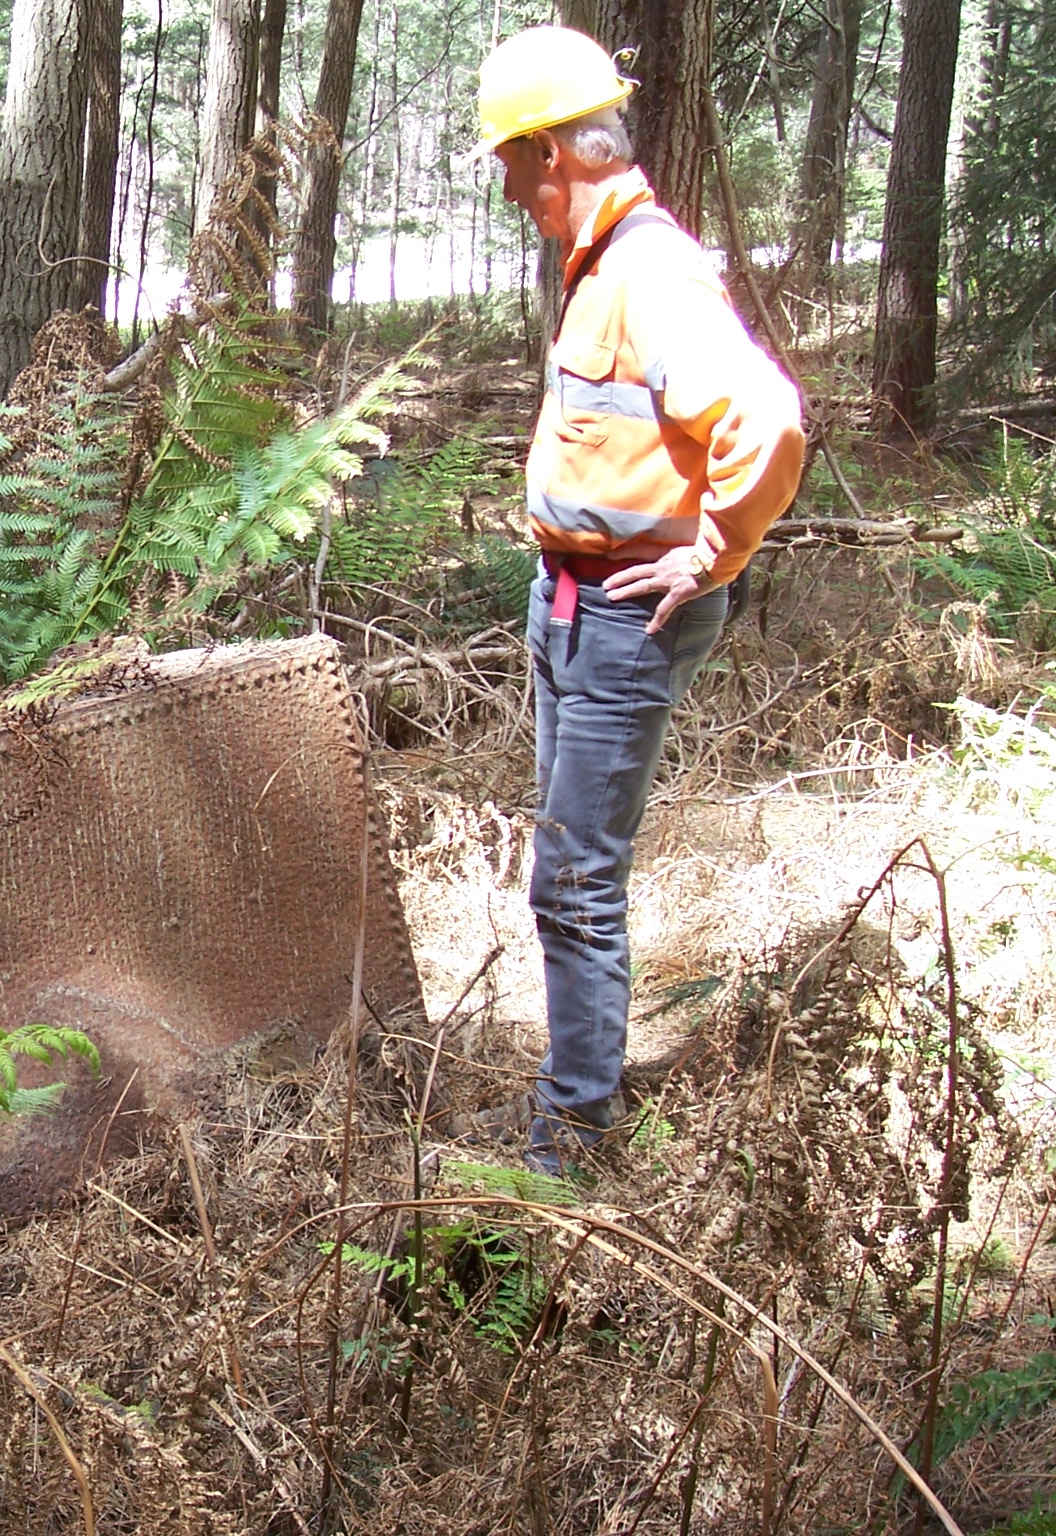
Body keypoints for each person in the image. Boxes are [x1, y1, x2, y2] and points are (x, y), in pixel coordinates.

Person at [467, 26, 805, 1173]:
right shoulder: (601, 264)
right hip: (572, 604)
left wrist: (712, 551)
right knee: (566, 870)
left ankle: (569, 1141)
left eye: (507, 163)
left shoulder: (648, 270)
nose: (505, 190)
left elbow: (766, 421)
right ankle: (574, 1104)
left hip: (622, 616)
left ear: (550, 152)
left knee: (571, 882)